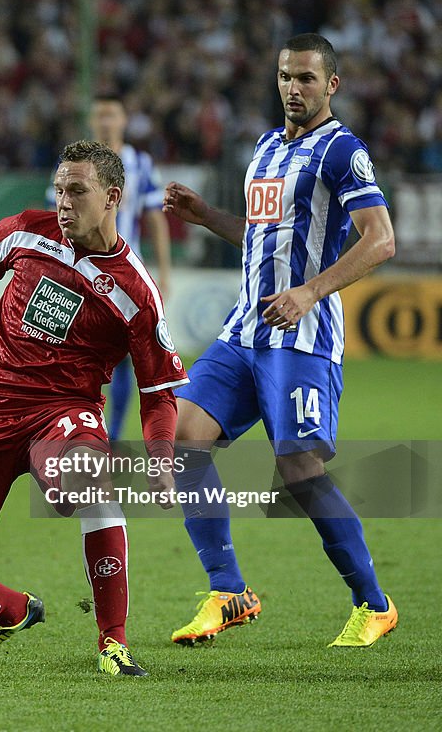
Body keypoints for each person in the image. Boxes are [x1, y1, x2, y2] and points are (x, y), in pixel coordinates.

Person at [0, 140, 189, 676]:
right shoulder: (26, 230)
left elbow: (158, 391)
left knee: (88, 480)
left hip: (61, 411)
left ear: (112, 197)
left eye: (77, 191)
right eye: (59, 189)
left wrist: (160, 455)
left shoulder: (136, 291)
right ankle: (8, 609)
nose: (63, 201)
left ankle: (112, 640)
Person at [162, 33, 397, 648]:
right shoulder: (265, 148)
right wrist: (207, 216)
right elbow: (264, 236)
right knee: (183, 439)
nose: (294, 88)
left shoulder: (342, 152)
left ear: (332, 86)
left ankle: (374, 604)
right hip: (244, 329)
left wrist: (309, 293)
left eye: (307, 79)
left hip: (302, 335)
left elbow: (381, 240)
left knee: (298, 471)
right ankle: (227, 592)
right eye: (286, 77)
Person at [47, 95, 172, 442]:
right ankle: (67, 425)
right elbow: (52, 217)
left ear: (123, 120)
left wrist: (163, 273)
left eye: (111, 114)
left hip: (120, 275)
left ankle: (111, 435)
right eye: (99, 114)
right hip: (76, 273)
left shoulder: (141, 163)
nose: (105, 121)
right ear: (91, 120)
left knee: (124, 359)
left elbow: (155, 220)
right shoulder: (72, 165)